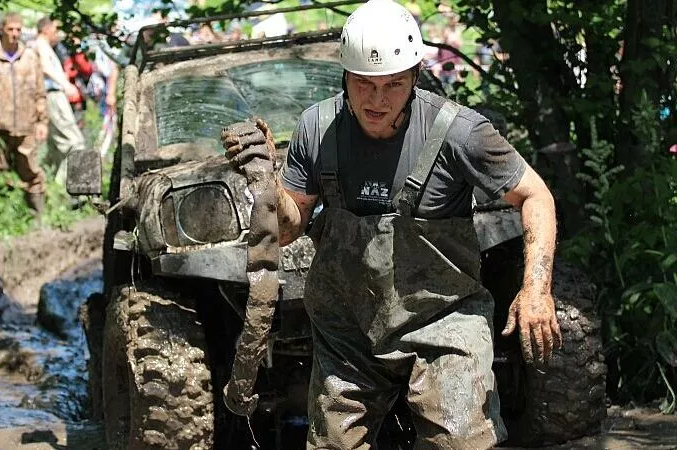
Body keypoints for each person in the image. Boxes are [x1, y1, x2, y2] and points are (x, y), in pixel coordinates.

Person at [222, 0, 561, 448]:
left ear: (416, 76)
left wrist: (536, 288)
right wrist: (266, 183)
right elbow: (289, 228)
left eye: (393, 85)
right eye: (363, 84)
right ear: (344, 75)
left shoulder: (461, 133)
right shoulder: (317, 128)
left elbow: (536, 196)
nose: (376, 100)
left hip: (445, 322)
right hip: (348, 333)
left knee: (458, 443)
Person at [0, 12, 48, 218]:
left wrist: (42, 122)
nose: (14, 34)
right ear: (2, 30)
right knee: (1, 173)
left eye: (18, 30)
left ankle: (38, 218)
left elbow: (41, 93)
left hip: (27, 127)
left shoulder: (31, 57)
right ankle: (4, 218)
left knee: (31, 173)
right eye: (10, 29)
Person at [33, 17, 86, 185]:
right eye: (55, 30)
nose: (57, 34)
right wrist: (65, 85)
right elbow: (45, 67)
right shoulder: (40, 45)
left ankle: (47, 186)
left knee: (55, 147)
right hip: (53, 96)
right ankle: (68, 187)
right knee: (75, 143)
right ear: (46, 30)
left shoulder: (44, 46)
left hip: (50, 96)